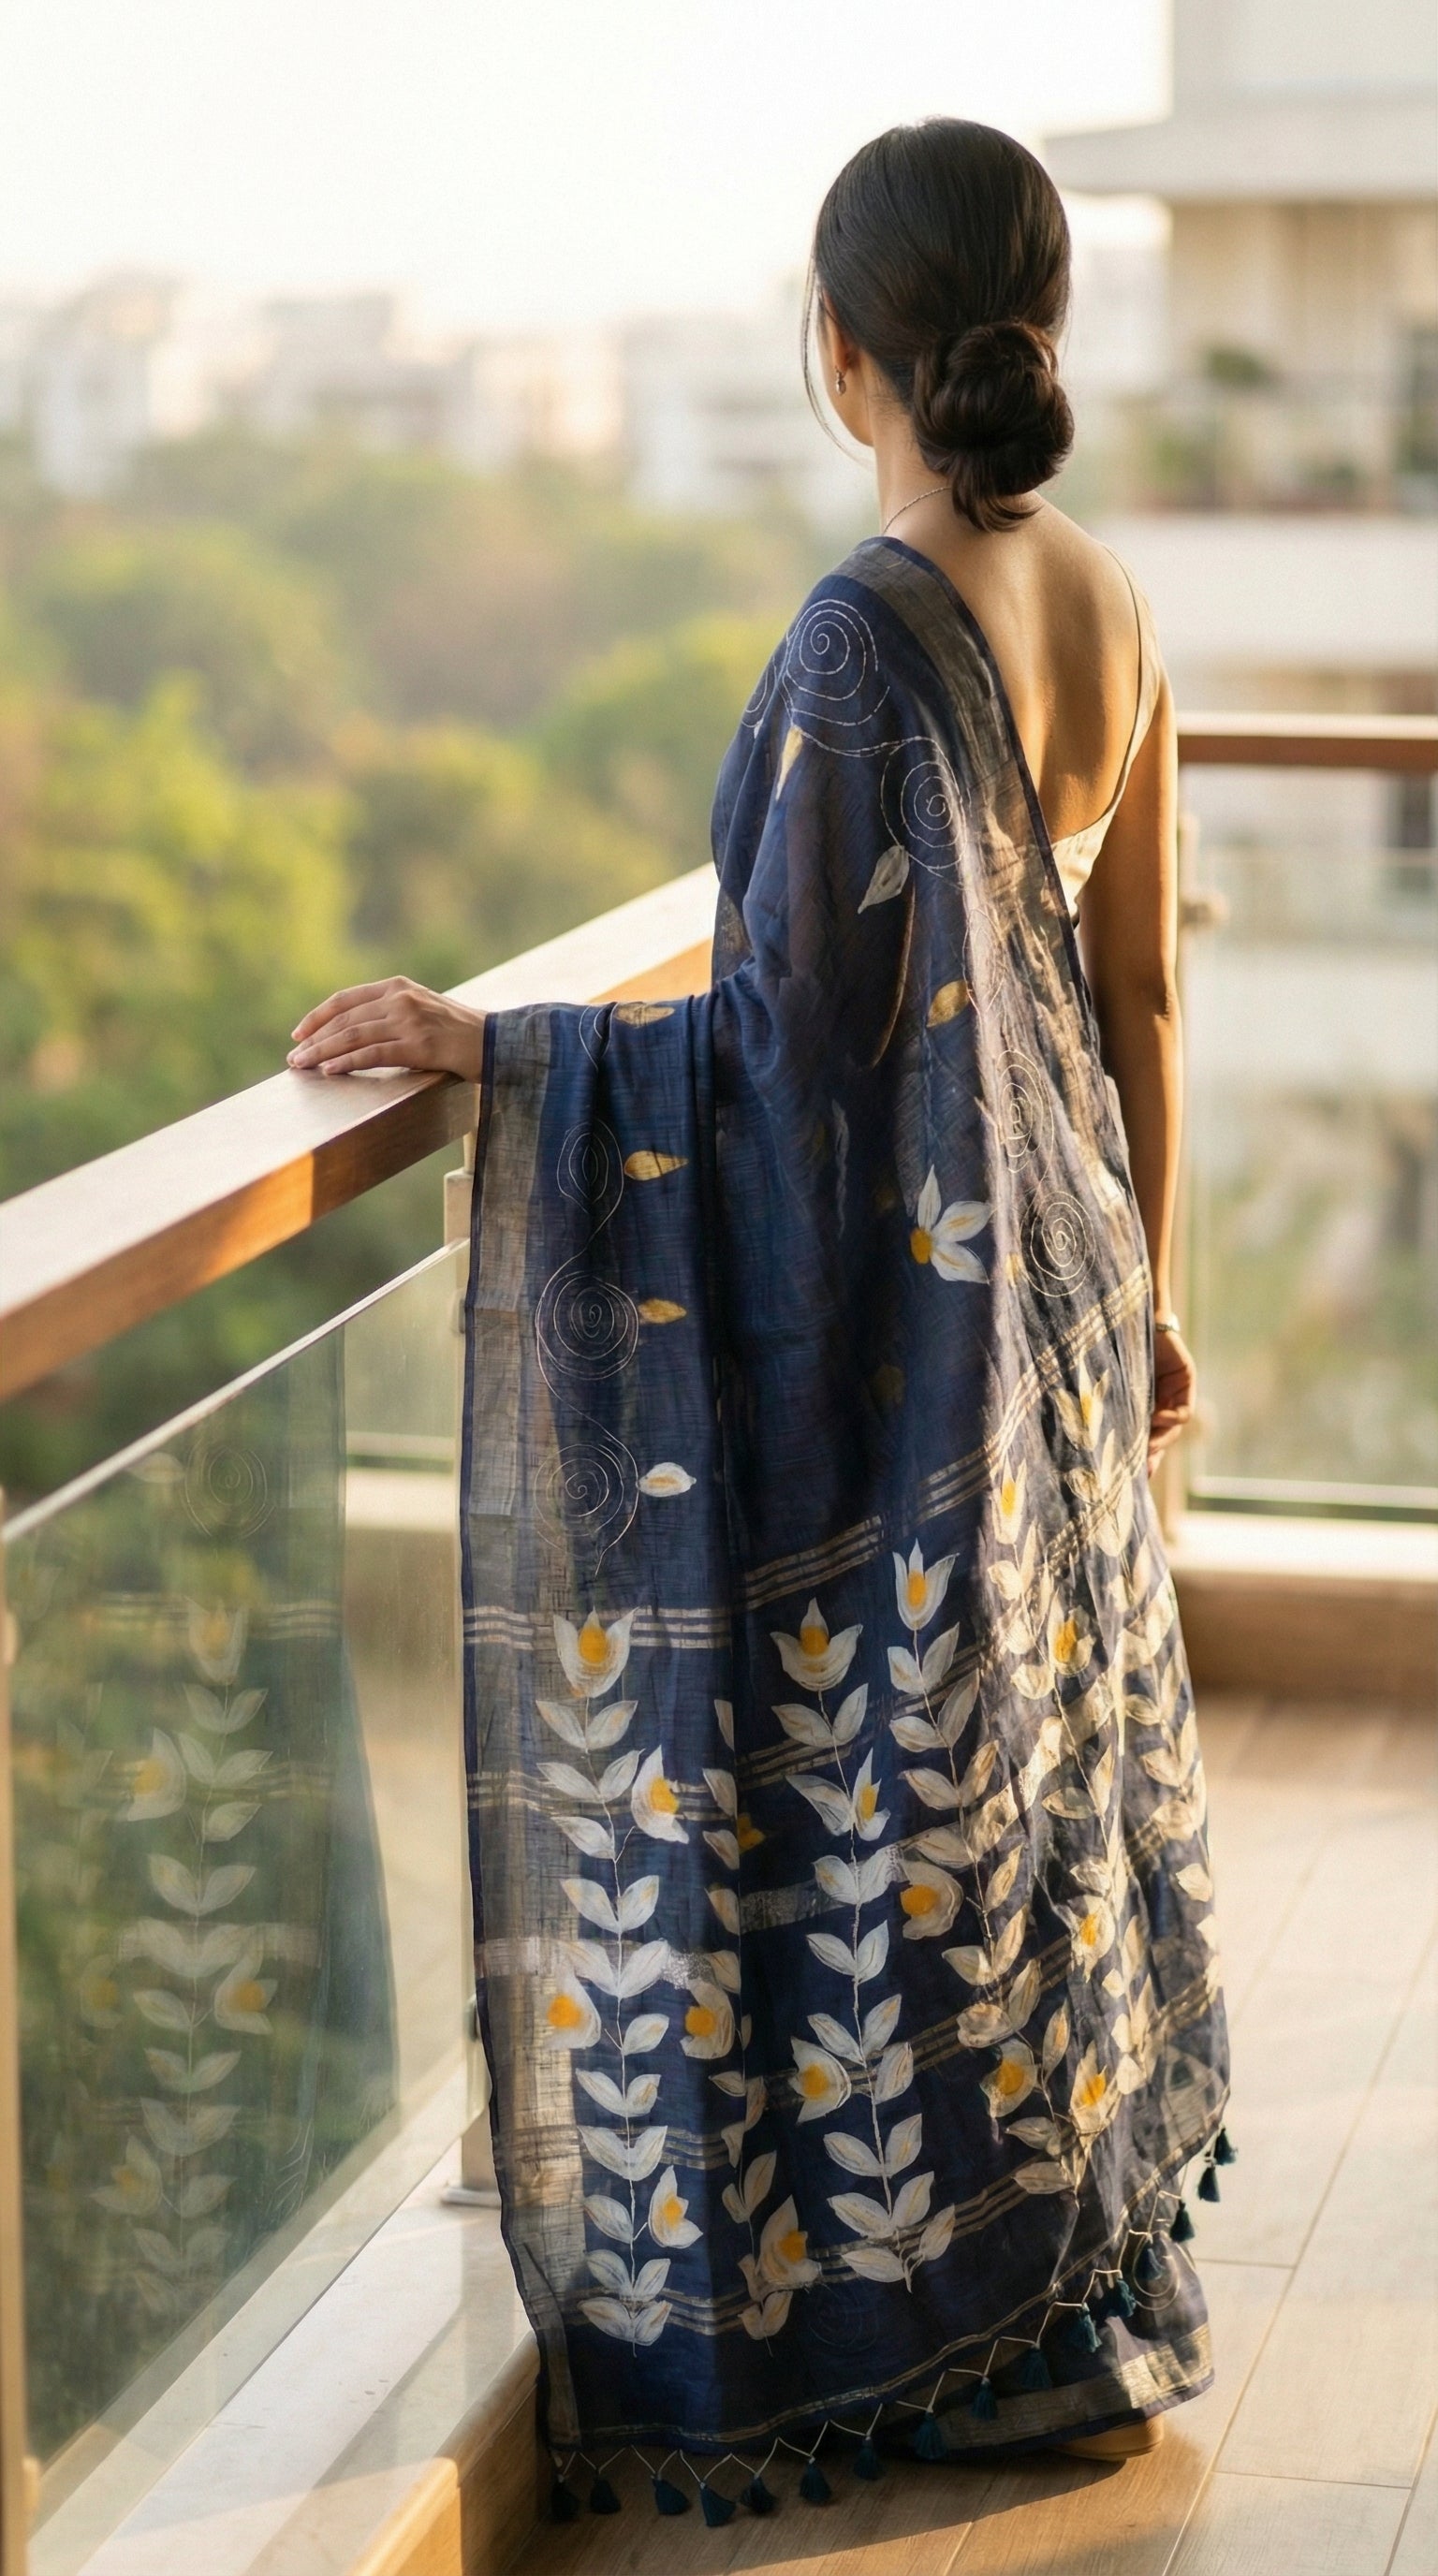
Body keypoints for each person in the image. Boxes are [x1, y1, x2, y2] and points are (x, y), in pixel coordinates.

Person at [291, 119, 1229, 2514]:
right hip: (1056, 1298)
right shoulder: (1110, 599)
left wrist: (494, 1045)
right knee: (1007, 1788)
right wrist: (1153, 1308)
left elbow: (782, 1051)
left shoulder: (855, 630)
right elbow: (1138, 1006)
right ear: (1044, 325)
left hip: (920, 1342)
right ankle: (1065, 2295)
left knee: (888, 1791)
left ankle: (926, 2335)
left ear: (839, 353)